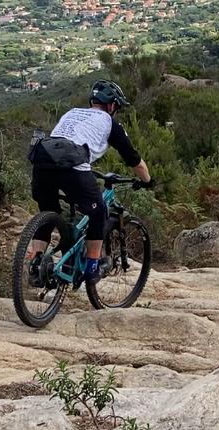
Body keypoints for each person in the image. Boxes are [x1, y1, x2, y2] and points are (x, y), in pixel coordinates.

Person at [29, 79, 153, 280]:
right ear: (112, 105)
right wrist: (148, 181)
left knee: (49, 212)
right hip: (73, 167)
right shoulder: (109, 122)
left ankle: (36, 265)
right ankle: (92, 267)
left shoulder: (72, 113)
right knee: (99, 212)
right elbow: (134, 160)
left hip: (42, 163)